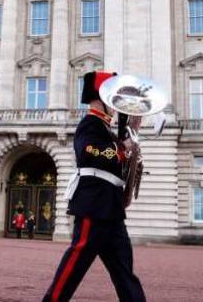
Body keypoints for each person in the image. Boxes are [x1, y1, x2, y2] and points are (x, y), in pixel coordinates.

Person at [43, 71, 146, 302]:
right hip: (94, 204)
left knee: (124, 272)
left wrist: (133, 135)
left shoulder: (107, 127)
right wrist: (122, 149)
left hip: (111, 206)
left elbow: (120, 159)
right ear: (102, 96)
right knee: (75, 265)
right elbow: (89, 151)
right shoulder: (90, 123)